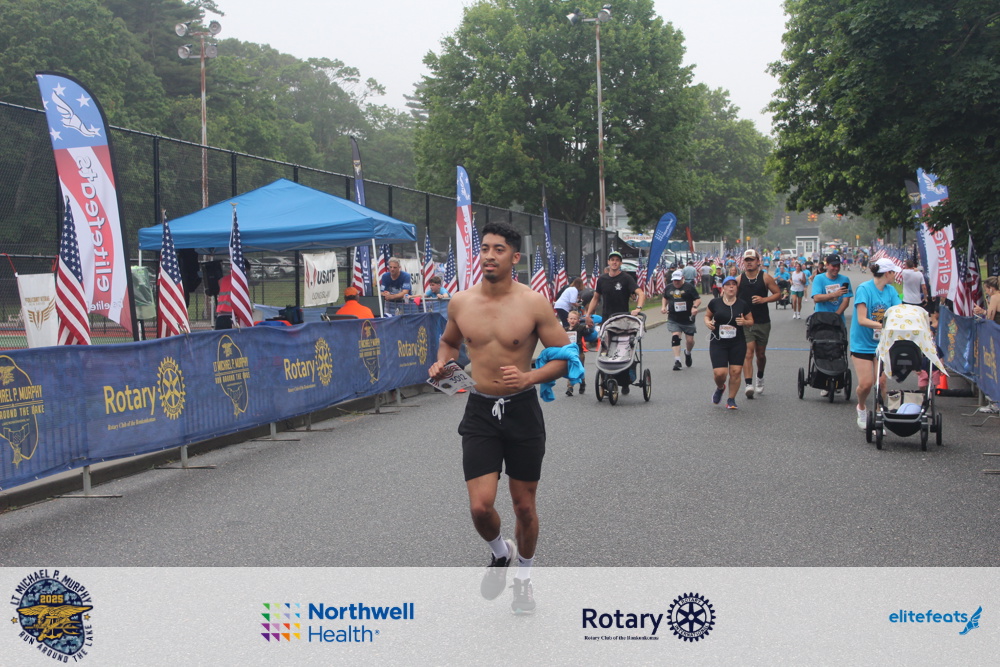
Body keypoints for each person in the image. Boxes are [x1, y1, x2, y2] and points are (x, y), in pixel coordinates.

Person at [428, 221, 569, 615]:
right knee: (480, 507)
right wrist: (442, 363)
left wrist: (529, 377)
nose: (489, 256)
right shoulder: (461, 302)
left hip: (522, 410)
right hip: (480, 410)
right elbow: (449, 342)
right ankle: (500, 552)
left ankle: (523, 580)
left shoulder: (533, 303)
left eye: (499, 249)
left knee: (524, 507)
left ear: (515, 257)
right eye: (485, 248)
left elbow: (565, 358)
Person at [849, 257, 902, 429]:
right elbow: (862, 319)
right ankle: (861, 407)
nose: (895, 276)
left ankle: (879, 417)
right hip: (862, 343)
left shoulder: (891, 291)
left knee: (881, 382)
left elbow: (898, 312)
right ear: (887, 273)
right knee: (866, 384)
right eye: (893, 273)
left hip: (882, 344)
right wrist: (884, 325)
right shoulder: (864, 289)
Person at [585, 250, 645, 393]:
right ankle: (606, 378)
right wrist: (588, 314)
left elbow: (640, 293)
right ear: (608, 262)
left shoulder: (626, 278)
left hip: (623, 319)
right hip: (607, 319)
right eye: (612, 260)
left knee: (624, 348)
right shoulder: (602, 279)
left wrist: (638, 308)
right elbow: (596, 298)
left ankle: (625, 380)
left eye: (617, 260)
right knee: (606, 348)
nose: (614, 262)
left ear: (620, 263)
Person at [736, 249, 780, 399]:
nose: (749, 263)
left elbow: (778, 294)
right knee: (748, 353)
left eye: (752, 260)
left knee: (760, 355)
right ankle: (748, 384)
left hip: (762, 321)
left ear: (758, 261)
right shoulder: (739, 279)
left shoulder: (765, 277)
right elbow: (730, 297)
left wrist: (764, 300)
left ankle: (760, 376)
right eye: (746, 260)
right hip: (745, 322)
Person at [704, 275, 754, 410]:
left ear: (737, 288)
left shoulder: (742, 304)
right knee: (720, 373)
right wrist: (708, 323)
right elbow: (707, 316)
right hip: (718, 342)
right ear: (723, 288)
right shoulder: (715, 303)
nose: (731, 287)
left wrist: (744, 322)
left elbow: (751, 321)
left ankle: (731, 399)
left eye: (734, 284)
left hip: (737, 342)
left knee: (736, 371)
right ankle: (720, 387)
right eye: (728, 284)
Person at [661, 269, 701, 370]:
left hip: (688, 318)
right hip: (674, 318)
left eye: (678, 280)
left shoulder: (689, 287)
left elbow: (698, 299)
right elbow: (665, 297)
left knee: (690, 341)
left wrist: (694, 307)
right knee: (675, 337)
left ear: (682, 278)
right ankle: (677, 361)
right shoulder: (669, 287)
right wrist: (663, 307)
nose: (676, 282)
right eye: (674, 280)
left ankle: (688, 353)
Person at [563, 310, 589, 396]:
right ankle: (570, 388)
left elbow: (587, 332)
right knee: (570, 369)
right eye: (571, 318)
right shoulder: (565, 330)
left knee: (580, 369)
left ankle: (582, 383)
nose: (572, 320)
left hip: (579, 352)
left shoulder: (580, 328)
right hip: (569, 353)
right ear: (567, 319)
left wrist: (588, 327)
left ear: (578, 320)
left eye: (574, 319)